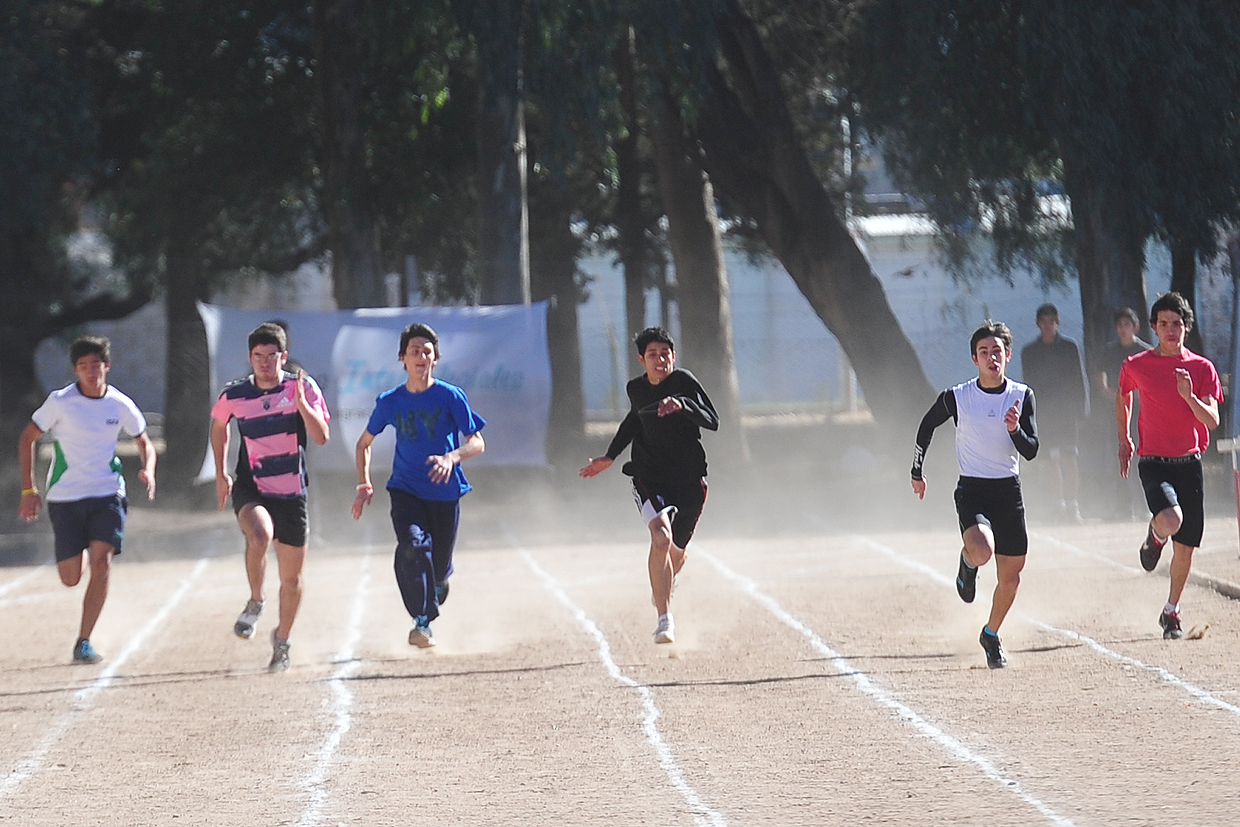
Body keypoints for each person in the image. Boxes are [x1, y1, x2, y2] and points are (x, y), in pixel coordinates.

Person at [17, 336, 157, 664]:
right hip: (66, 497)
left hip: (108, 493)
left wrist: (148, 469)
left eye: (96, 365)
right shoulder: (60, 402)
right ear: (75, 370)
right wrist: (28, 490)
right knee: (70, 578)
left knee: (102, 561)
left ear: (106, 366)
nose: (91, 372)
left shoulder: (120, 404)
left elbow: (144, 442)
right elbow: (28, 438)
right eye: (83, 367)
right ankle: (76, 560)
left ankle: (84, 641)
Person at [579, 326, 719, 645]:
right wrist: (610, 456)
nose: (660, 360)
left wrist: (682, 405)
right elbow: (633, 421)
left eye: (665, 354)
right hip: (648, 475)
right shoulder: (636, 389)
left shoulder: (684, 382)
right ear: (642, 359)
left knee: (675, 554)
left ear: (673, 356)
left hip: (690, 480)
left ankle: (665, 584)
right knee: (660, 538)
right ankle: (664, 619)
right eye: (653, 355)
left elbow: (713, 420)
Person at [911, 321, 1038, 669]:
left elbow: (1031, 450)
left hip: (1008, 492)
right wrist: (916, 471)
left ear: (1007, 355)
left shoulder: (1021, 395)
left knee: (1010, 578)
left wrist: (1014, 430)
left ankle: (990, 634)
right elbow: (927, 424)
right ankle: (968, 563)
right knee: (982, 548)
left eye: (997, 351)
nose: (991, 357)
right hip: (973, 490)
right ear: (974, 359)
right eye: (984, 352)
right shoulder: (960, 396)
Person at [351, 323, 485, 648]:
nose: (421, 356)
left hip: (445, 493)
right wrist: (363, 484)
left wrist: (451, 457)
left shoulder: (451, 396)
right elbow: (363, 444)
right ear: (403, 359)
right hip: (405, 489)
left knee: (437, 571)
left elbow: (477, 442)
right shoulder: (390, 401)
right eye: (414, 351)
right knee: (412, 547)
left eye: (427, 351)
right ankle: (421, 623)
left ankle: (438, 582)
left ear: (435, 358)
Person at [211, 322, 330, 671]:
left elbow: (321, 437)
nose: (265, 363)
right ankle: (256, 600)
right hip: (253, 487)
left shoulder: (302, 387)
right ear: (250, 358)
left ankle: (282, 641)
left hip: (292, 492)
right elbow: (219, 426)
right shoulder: (234, 394)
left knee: (292, 580)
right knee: (259, 535)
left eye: (271, 356)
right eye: (258, 357)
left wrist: (301, 406)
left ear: (284, 356)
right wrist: (221, 473)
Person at [1116, 292, 1221, 640]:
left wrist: (1188, 395)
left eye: (1177, 324)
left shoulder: (1202, 368)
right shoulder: (1138, 364)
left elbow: (1212, 420)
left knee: (1186, 548)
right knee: (1171, 518)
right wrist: (1124, 438)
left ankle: (1171, 611)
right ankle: (1156, 534)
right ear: (1154, 328)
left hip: (1189, 463)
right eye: (1164, 324)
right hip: (1154, 462)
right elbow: (1124, 392)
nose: (1171, 330)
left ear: (1186, 328)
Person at [1020, 303, 1087, 522]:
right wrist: (1029, 416)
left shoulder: (1069, 347)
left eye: (1052, 322)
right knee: (1051, 459)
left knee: (1070, 456)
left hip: (1067, 411)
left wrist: (1081, 410)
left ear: (1058, 323)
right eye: (1044, 322)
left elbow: (1079, 378)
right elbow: (1027, 385)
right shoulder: (1029, 352)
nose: (1048, 326)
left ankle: (1073, 506)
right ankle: (1058, 506)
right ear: (1038, 324)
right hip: (1044, 413)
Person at [1096, 307, 1152, 519]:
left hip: (1142, 415)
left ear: (1135, 327)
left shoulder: (1145, 351)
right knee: (1119, 457)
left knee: (1143, 458)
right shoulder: (1110, 351)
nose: (1123, 329)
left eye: (1127, 325)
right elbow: (1100, 374)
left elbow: (1153, 379)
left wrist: (1140, 394)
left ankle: (1145, 505)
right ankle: (1122, 507)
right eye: (1119, 325)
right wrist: (1109, 392)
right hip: (1118, 414)